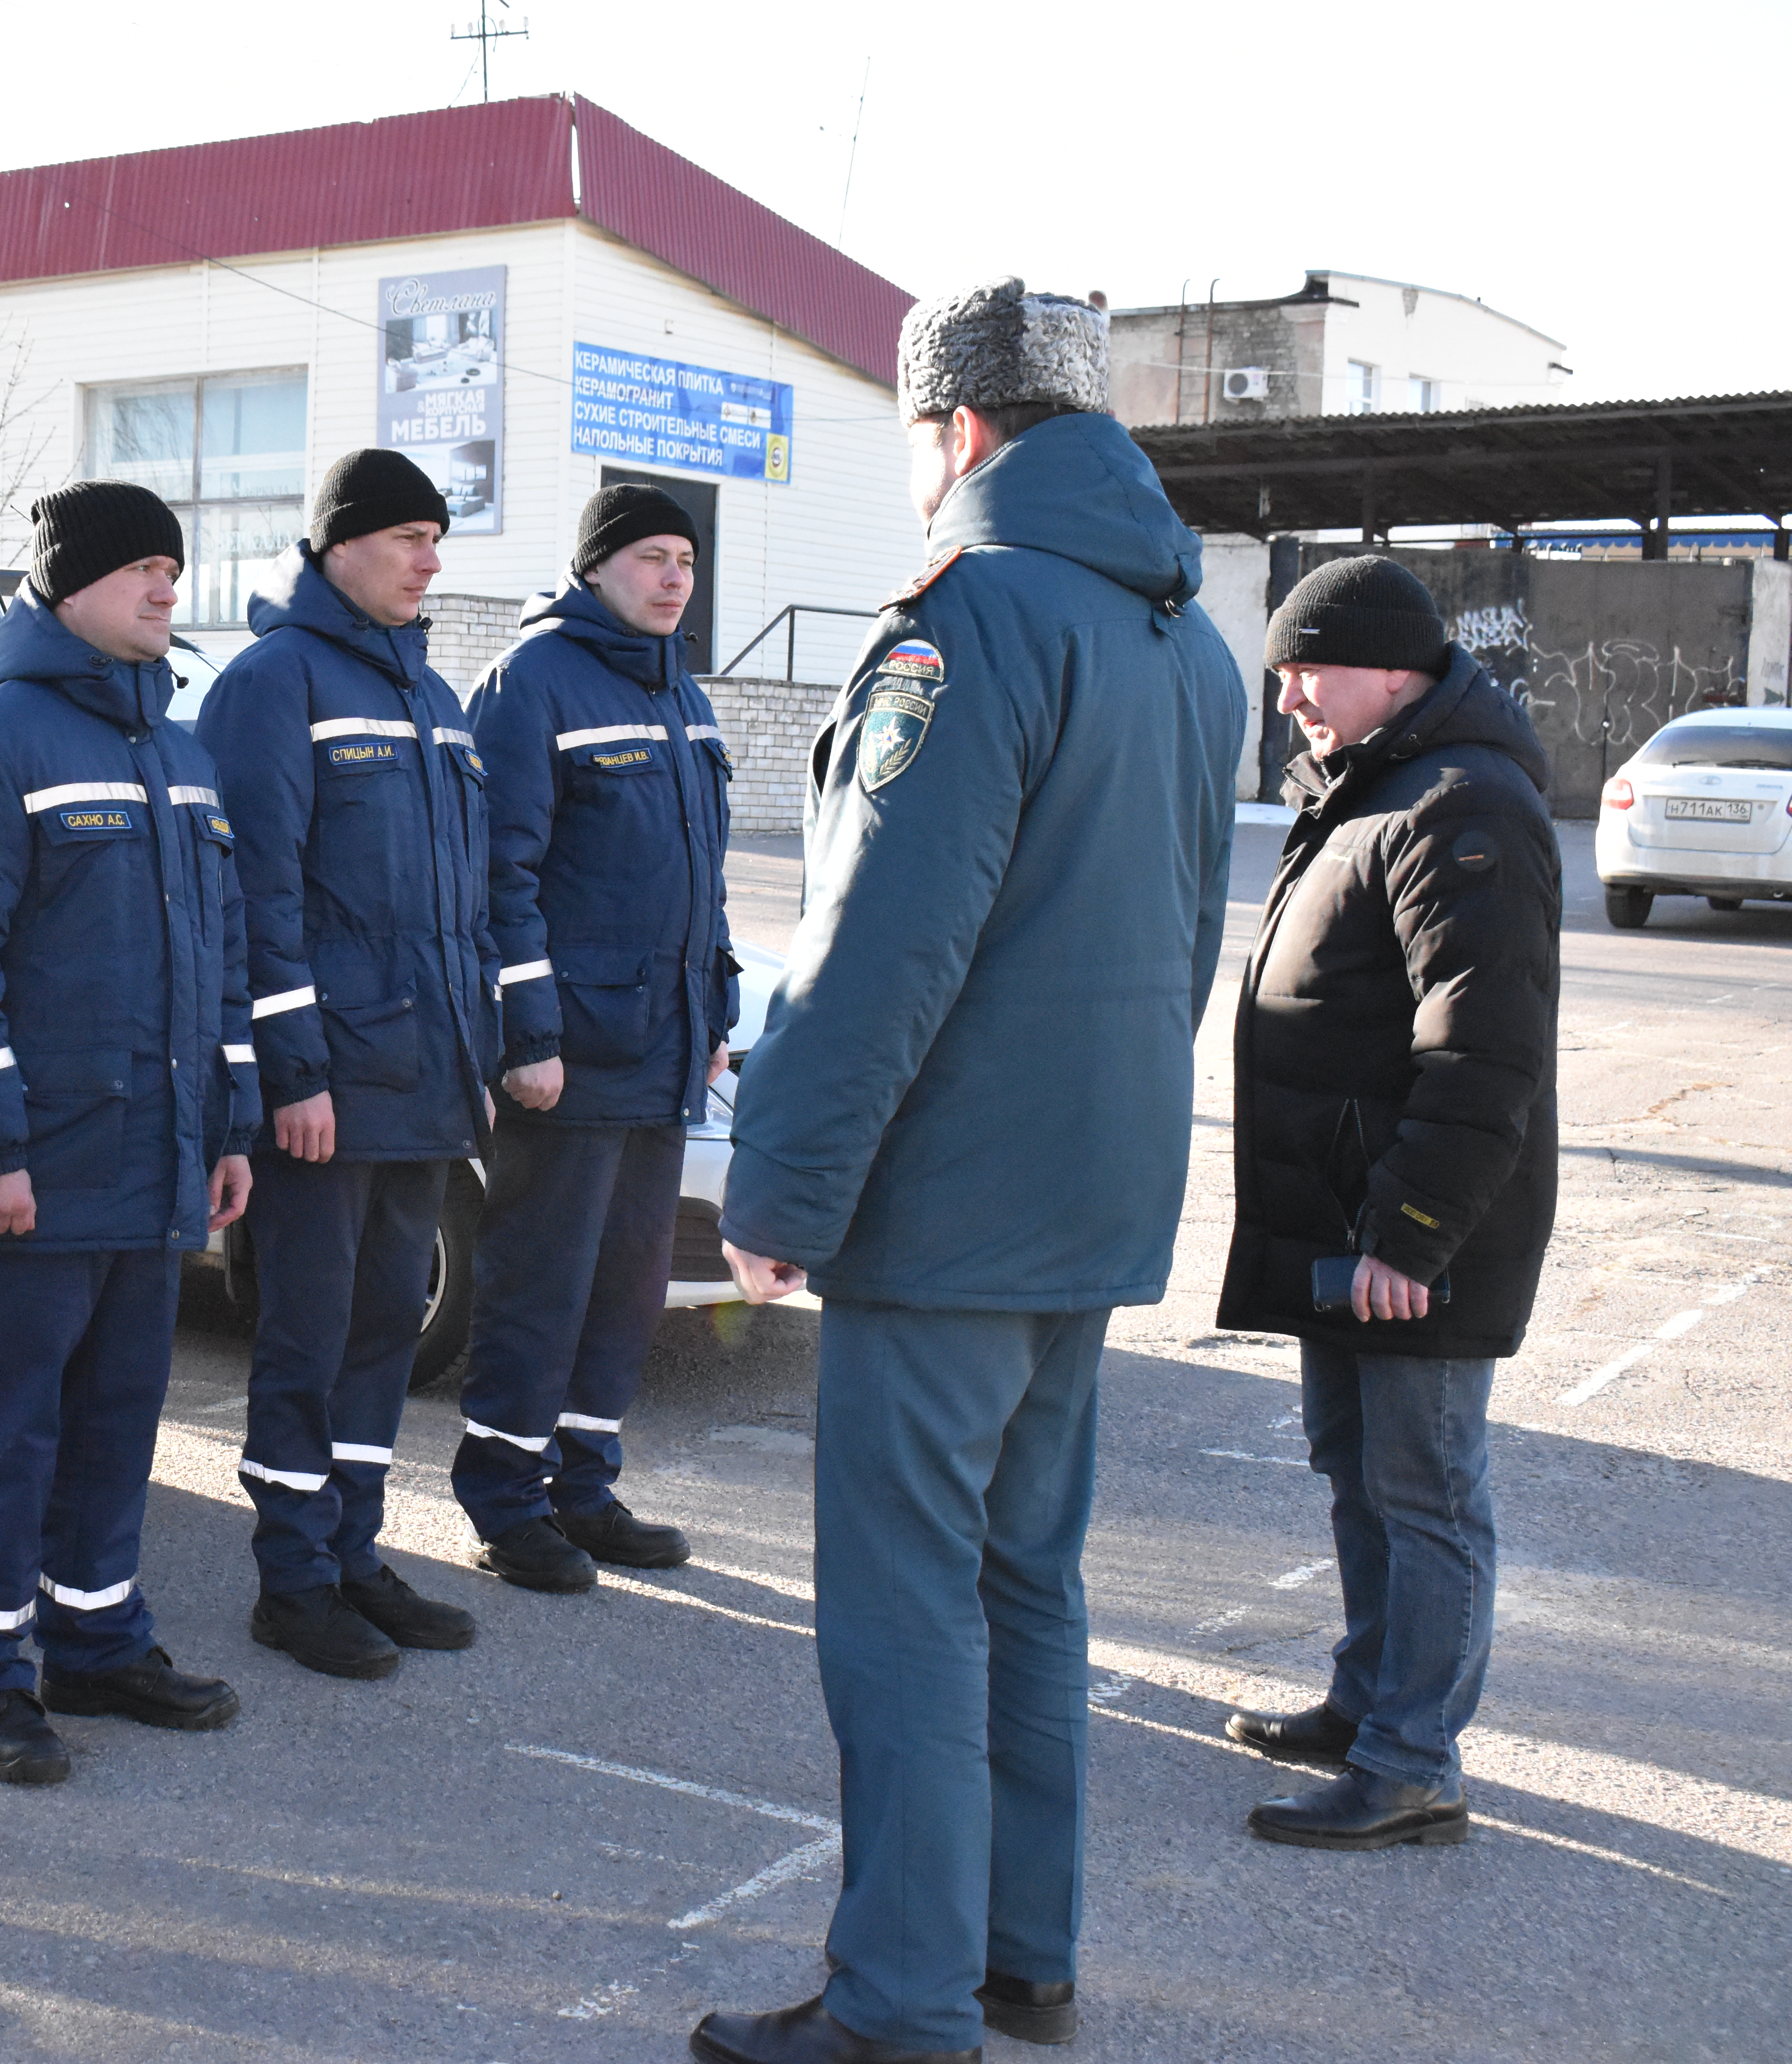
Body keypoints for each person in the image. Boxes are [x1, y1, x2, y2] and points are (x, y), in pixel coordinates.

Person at [704, 278, 1248, 2064]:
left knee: (905, 1610)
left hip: (946, 1216)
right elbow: (1180, 948)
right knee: (1030, 1586)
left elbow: (880, 949)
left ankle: (901, 2005)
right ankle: (1024, 1954)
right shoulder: (1184, 639)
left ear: (961, 430)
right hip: (1088, 1201)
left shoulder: (971, 620)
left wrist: (778, 1187)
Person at [0, 480, 259, 1784]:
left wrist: (228, 1121)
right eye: (140, 570)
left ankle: (100, 1640)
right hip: (40, 1170)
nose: (167, 588)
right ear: (67, 588)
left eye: (175, 567)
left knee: (121, 1418)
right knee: (6, 1429)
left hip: (158, 1159)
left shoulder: (178, 751)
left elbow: (220, 961)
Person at [1215, 554, 1559, 1852]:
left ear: (1391, 667)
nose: (1289, 692)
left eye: (1309, 666)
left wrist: (1414, 1232)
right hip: (1345, 1216)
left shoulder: (1465, 804)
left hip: (1412, 1231)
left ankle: (1414, 1760)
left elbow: (1486, 1049)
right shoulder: (1378, 784)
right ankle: (1368, 1704)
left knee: (1425, 1489)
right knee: (1357, 1468)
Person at [196, 448, 491, 1679]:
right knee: (309, 1330)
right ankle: (294, 1577)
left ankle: (357, 1548)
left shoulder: (433, 694)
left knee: (384, 1323)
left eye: (437, 538)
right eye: (408, 536)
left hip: (423, 1076)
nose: (430, 559)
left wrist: (479, 1051)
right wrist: (293, 1070)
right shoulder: (273, 683)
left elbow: (464, 902)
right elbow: (257, 896)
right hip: (329, 1084)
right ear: (336, 546)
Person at [451, 481, 736, 1594]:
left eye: (686, 561)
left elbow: (704, 884)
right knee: (542, 1278)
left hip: (661, 1048)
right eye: (653, 557)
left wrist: (711, 1013)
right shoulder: (533, 682)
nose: (674, 577)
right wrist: (527, 1032)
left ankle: (584, 1482)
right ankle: (507, 1498)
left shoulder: (688, 698)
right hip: (569, 1054)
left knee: (626, 1285)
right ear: (596, 567)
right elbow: (498, 876)